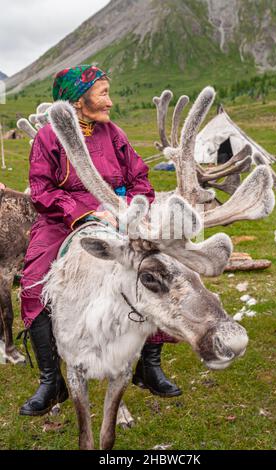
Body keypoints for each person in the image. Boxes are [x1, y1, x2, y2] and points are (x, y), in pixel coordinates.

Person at [19, 65, 181, 417]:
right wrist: (84, 212)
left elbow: (139, 176)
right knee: (33, 285)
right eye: (103, 92)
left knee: (152, 272)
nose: (110, 101)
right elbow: (41, 191)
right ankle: (51, 381)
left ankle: (148, 365)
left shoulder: (113, 133)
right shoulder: (48, 137)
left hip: (119, 216)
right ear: (79, 101)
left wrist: (132, 210)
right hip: (62, 221)